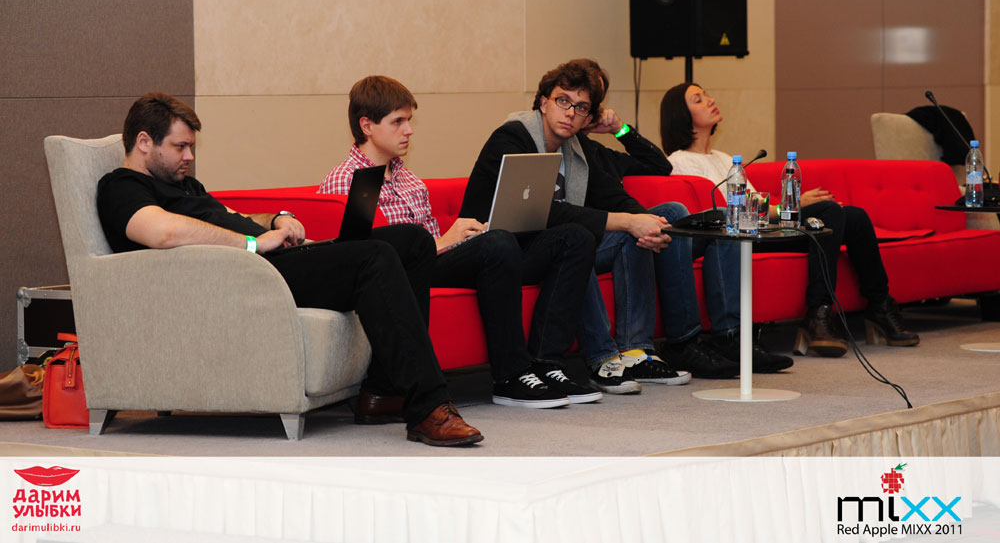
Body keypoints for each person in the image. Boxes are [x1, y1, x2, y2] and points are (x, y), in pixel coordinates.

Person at [97, 91, 484, 447]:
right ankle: (427, 406)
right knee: (375, 257)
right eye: (180, 147)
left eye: (191, 147)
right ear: (144, 142)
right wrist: (254, 244)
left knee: (413, 241)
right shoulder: (122, 187)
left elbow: (234, 216)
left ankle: (384, 391)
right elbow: (162, 232)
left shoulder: (185, 186)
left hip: (273, 260)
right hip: (251, 277)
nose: (189, 157)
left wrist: (276, 220)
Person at [318, 75, 598, 407]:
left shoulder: (409, 180)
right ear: (367, 126)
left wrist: (463, 237)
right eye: (398, 122)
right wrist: (446, 239)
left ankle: (546, 364)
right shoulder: (348, 181)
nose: (409, 130)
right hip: (403, 274)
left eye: (409, 120)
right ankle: (510, 375)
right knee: (498, 244)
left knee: (573, 238)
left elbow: (431, 241)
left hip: (434, 261)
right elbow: (366, 259)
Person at [461, 60, 734, 394]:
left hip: (552, 244)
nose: (570, 113)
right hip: (501, 249)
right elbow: (539, 213)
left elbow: (644, 177)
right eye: (563, 101)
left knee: (653, 220)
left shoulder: (579, 150)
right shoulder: (513, 137)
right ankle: (602, 359)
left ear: (589, 117)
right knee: (577, 237)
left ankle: (636, 351)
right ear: (544, 102)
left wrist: (646, 224)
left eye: (581, 107)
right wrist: (629, 222)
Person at [659, 82, 920, 356]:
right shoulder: (680, 161)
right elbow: (722, 211)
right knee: (829, 212)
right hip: (735, 240)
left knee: (855, 217)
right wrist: (792, 205)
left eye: (707, 94)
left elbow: (754, 202)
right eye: (698, 99)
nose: (710, 100)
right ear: (681, 115)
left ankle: (880, 305)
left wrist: (788, 205)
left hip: (759, 228)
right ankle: (818, 314)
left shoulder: (724, 158)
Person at [575, 60, 793, 374]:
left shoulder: (600, 153)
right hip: (603, 235)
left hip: (635, 225)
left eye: (589, 105)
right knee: (668, 219)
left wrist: (620, 130)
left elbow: (658, 165)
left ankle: (730, 337)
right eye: (579, 105)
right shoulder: (565, 153)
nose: (584, 111)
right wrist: (633, 222)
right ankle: (683, 342)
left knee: (712, 218)